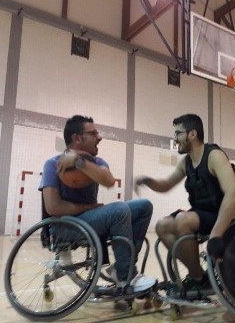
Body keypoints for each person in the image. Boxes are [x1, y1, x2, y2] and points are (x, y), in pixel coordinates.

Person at [39, 115, 156, 292]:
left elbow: (109, 181)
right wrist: (89, 207)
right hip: (64, 226)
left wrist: (78, 162)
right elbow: (53, 207)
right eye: (93, 133)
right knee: (118, 210)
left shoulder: (97, 162)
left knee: (143, 206)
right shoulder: (52, 164)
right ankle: (127, 277)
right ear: (77, 138)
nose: (99, 137)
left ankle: (120, 268)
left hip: (89, 222)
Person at [135, 113, 235, 291]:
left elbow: (233, 194)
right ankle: (199, 277)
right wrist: (147, 180)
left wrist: (216, 233)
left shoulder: (214, 155)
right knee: (163, 226)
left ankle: (198, 279)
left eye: (178, 133)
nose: (175, 138)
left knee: (183, 220)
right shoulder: (187, 162)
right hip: (202, 213)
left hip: (224, 212)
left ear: (192, 134)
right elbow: (165, 185)